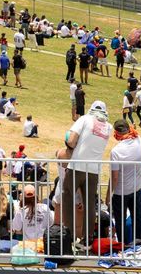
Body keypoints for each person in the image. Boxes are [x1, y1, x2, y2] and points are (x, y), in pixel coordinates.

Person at [58, 100, 112, 239]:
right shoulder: (108, 127)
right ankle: (87, 238)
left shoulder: (84, 119)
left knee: (68, 198)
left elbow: (70, 140)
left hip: (77, 166)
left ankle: (68, 236)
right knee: (90, 204)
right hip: (94, 170)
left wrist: (70, 148)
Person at [109, 118, 141, 246]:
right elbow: (135, 132)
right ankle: (140, 245)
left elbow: (114, 177)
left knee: (120, 221)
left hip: (121, 191)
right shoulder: (138, 140)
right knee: (137, 218)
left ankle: (123, 246)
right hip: (137, 188)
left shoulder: (116, 151)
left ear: (116, 133)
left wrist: (109, 194)